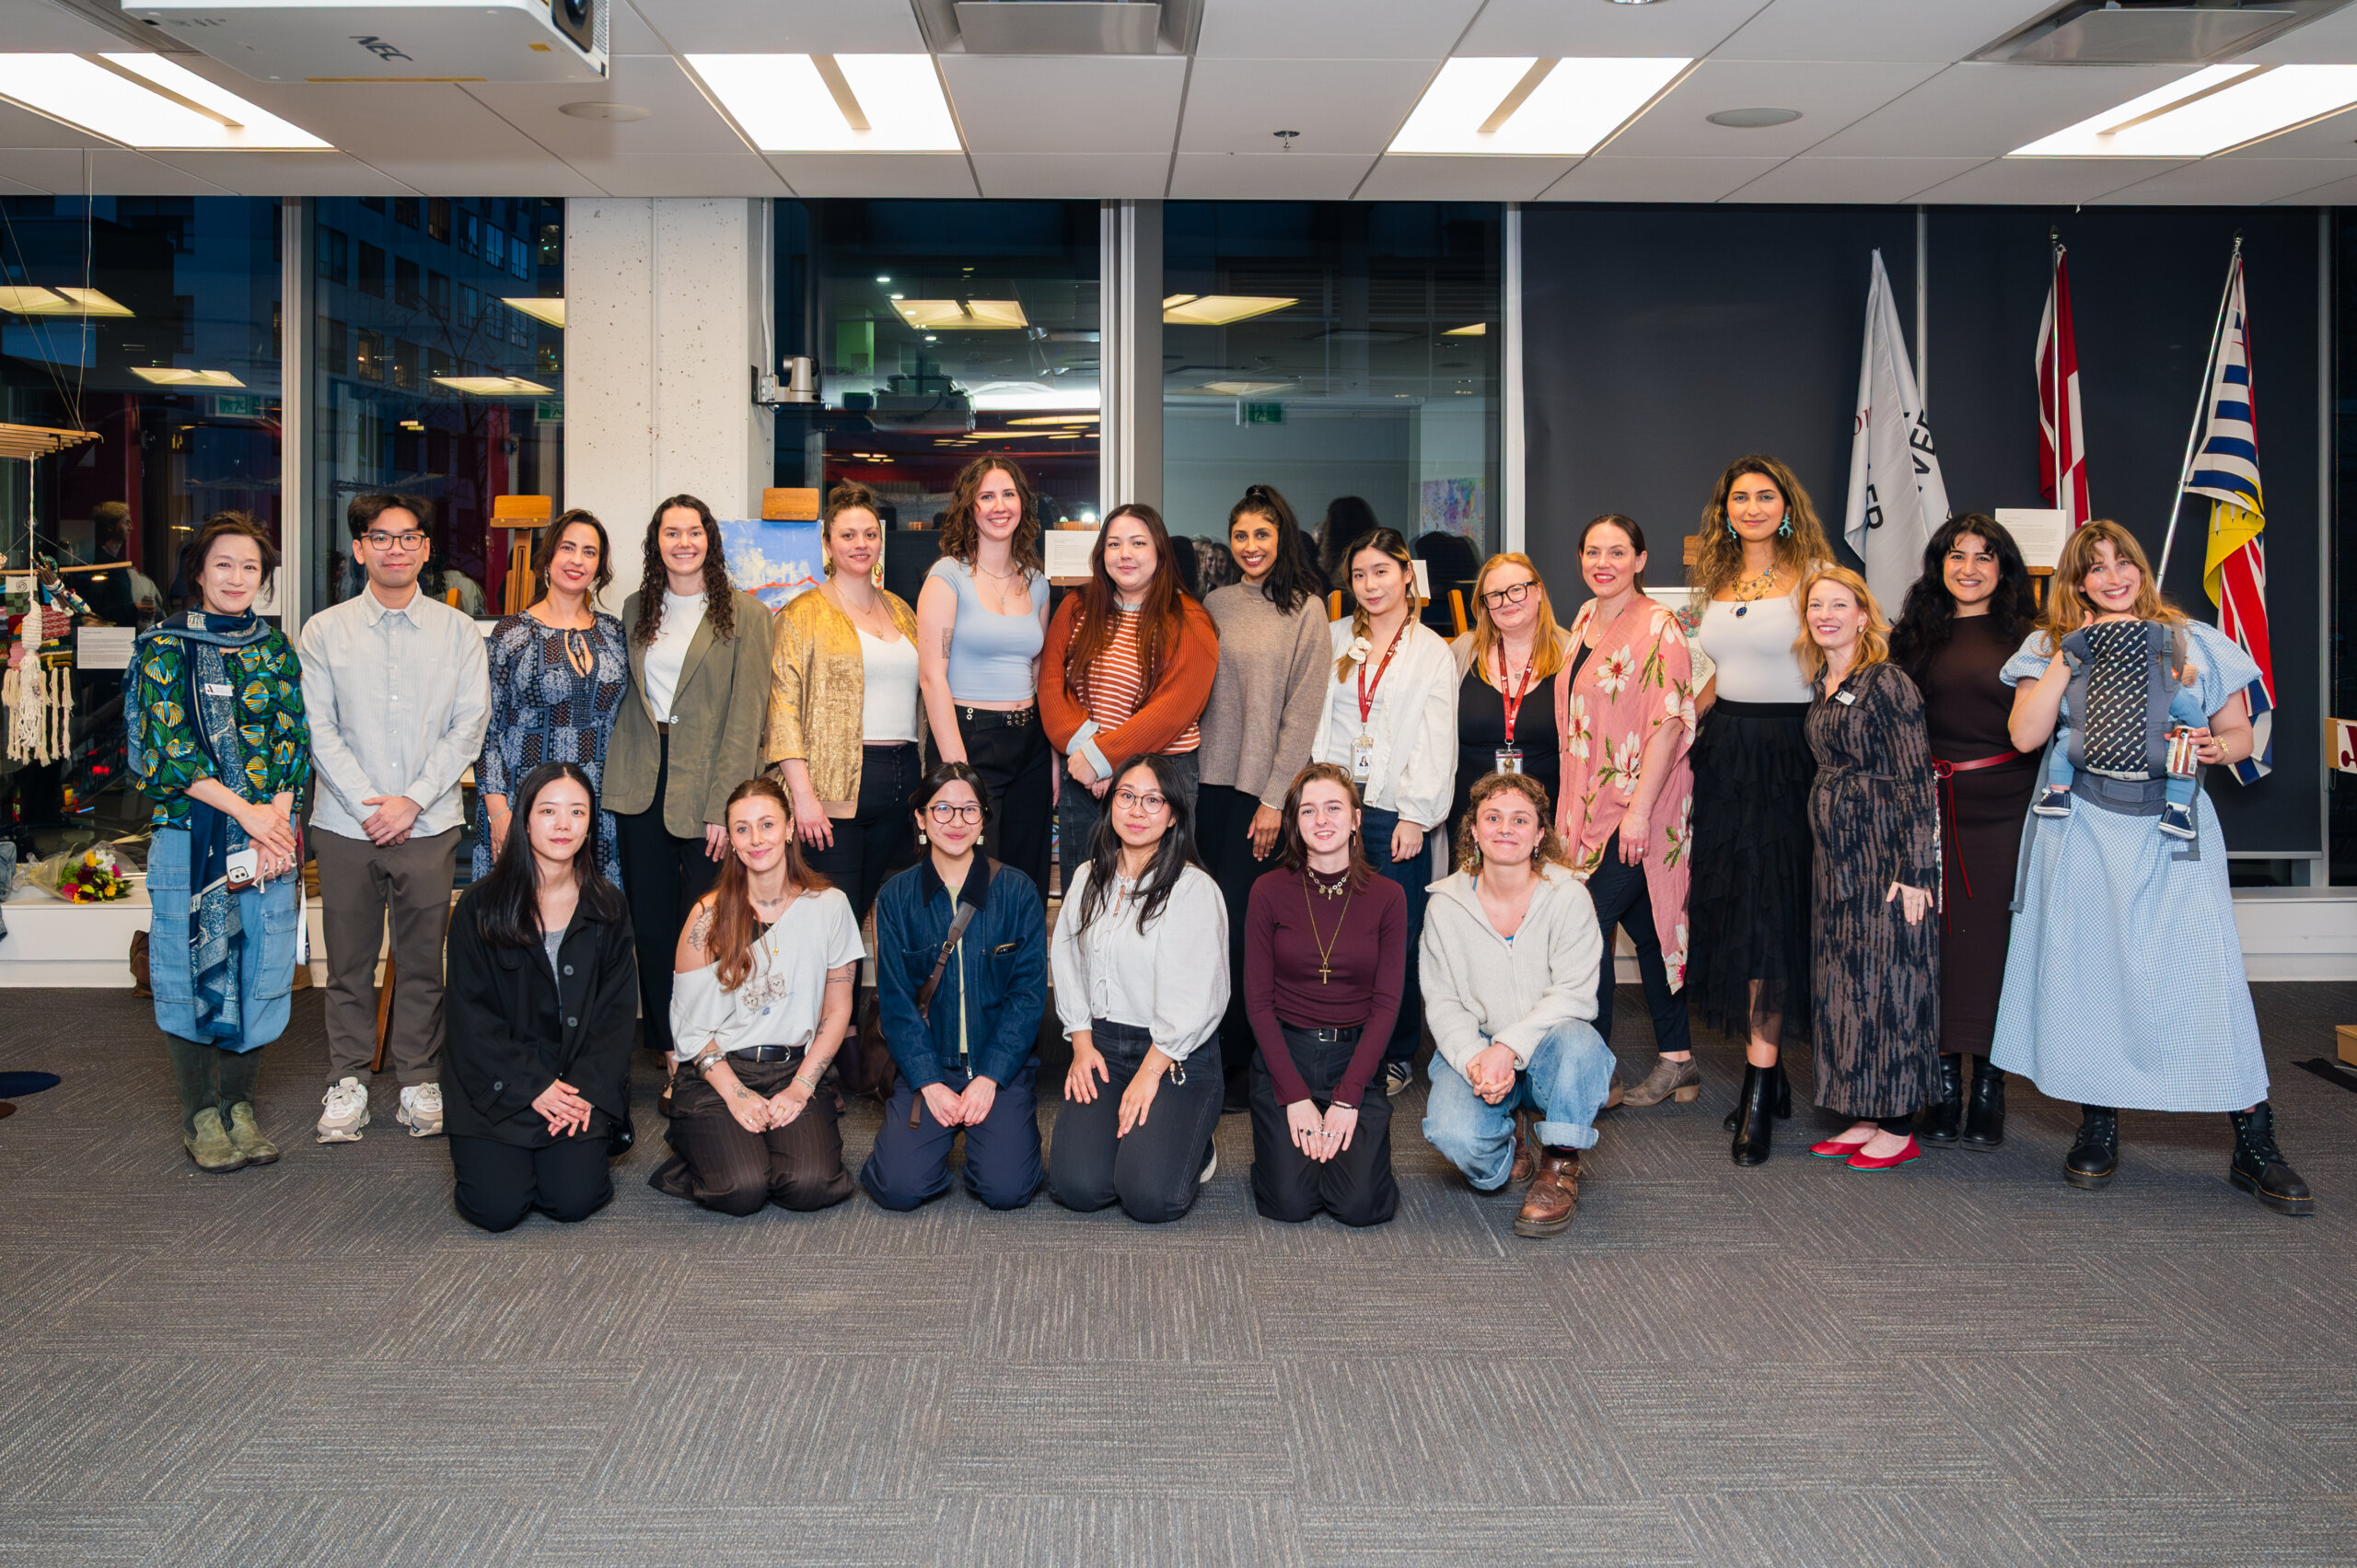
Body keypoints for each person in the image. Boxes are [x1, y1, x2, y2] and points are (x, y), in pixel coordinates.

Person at [1996, 520, 2312, 1214]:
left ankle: (2253, 1140)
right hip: (2078, 826)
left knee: (2208, 977)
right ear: (2076, 581)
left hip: (2173, 830)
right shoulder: (2048, 646)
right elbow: (2024, 734)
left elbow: (2239, 733)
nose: (2112, 576)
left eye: (2122, 563)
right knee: (2094, 974)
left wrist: (2216, 748)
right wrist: (2068, 656)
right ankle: (2098, 1124)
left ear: (2141, 568)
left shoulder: (2192, 640)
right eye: (2094, 567)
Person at [300, 493, 490, 1144]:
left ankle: (416, 1080)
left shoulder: (459, 632)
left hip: (429, 822)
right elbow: (318, 730)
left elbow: (470, 726)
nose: (396, 549)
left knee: (420, 961)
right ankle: (347, 1081)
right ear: (359, 548)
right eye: (381, 538)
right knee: (348, 964)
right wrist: (368, 803)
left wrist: (412, 799)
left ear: (426, 549)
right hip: (346, 825)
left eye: (409, 537)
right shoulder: (324, 631)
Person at [127, 512, 308, 1172]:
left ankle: (240, 1107)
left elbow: (293, 744)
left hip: (268, 842)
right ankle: (200, 1115)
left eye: (250, 567)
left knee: (261, 965)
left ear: (264, 578)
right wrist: (250, 815)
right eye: (223, 564)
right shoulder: (163, 648)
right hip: (190, 835)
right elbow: (167, 753)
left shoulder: (275, 648)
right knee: (182, 966)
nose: (237, 577)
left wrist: (277, 822)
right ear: (198, 572)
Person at [1684, 455, 1833, 1166]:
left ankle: (1760, 1078)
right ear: (1725, 510)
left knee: (1774, 913)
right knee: (1737, 910)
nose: (1750, 507)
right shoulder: (1718, 579)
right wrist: (1683, 717)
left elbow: (1843, 657)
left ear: (1787, 504)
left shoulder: (1812, 578)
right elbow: (1726, 666)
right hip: (1725, 753)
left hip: (1789, 754)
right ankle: (1765, 1075)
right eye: (1738, 496)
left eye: (1764, 495)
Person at [606, 494, 773, 1078]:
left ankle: (713, 1039)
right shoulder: (633, 609)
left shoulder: (747, 615)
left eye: (694, 532)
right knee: (649, 926)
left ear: (710, 540)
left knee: (706, 924)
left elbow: (747, 717)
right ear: (657, 543)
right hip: (640, 785)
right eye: (671, 533)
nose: (683, 543)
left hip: (709, 785)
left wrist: (723, 807)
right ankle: (669, 1046)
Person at [1887, 515, 2039, 1150]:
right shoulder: (1912, 636)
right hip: (1928, 805)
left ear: (2004, 568)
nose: (1969, 567)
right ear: (1938, 564)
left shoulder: (2031, 639)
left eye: (1985, 556)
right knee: (1938, 948)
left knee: (1995, 949)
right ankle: (1943, 1085)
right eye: (1956, 555)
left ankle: (1990, 1089)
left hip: (2006, 808)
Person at [650, 776, 863, 1215]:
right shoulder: (707, 916)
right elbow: (687, 1024)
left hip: (792, 1068)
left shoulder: (830, 905)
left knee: (810, 1186)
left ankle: (753, 1145)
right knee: (742, 1190)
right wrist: (734, 1093)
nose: (755, 838)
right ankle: (702, 1142)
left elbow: (838, 1009)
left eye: (767, 824)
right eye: (742, 829)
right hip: (719, 1069)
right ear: (730, 840)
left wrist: (803, 1087)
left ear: (788, 829)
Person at [442, 763, 637, 1231]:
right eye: (549, 811)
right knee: (497, 1210)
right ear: (525, 819)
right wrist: (534, 1087)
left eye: (577, 812)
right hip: (496, 1085)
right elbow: (471, 1021)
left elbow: (615, 1016)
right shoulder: (479, 908)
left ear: (592, 824)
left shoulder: (608, 907)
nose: (564, 824)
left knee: (572, 1200)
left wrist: (582, 1093)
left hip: (574, 1087)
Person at [1422, 772, 1615, 1237]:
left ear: (1539, 834)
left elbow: (1575, 995)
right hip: (1481, 1048)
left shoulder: (1569, 897)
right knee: (1455, 1136)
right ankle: (1511, 1136)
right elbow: (1443, 1001)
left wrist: (1507, 1048)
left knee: (1583, 1043)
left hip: (1551, 1049)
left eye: (1520, 819)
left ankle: (1560, 1165)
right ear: (1473, 830)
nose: (1505, 828)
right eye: (1493, 817)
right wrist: (1476, 1059)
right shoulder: (1444, 905)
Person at [1548, 519, 1700, 1109]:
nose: (1603, 561)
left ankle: (1597, 1072)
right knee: (1646, 926)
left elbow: (1668, 725)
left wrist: (1637, 815)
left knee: (1585, 925)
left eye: (1617, 552)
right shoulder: (1586, 616)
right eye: (1592, 551)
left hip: (1640, 807)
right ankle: (1679, 1059)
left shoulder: (1660, 627)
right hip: (1590, 802)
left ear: (1641, 559)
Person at [1794, 567, 1941, 1170]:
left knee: (1890, 982)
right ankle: (1865, 1108)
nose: (1826, 613)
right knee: (1846, 982)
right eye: (1816, 605)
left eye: (1839, 603)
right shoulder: (1826, 682)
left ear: (1863, 614)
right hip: (1836, 859)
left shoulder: (1888, 682)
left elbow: (1913, 778)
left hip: (1885, 852)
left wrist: (1914, 870)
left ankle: (1900, 1122)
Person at [1048, 753, 1229, 1222]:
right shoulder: (1088, 877)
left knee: (1149, 1198)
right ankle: (1141, 1143)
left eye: (1154, 800)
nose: (1137, 810)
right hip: (1103, 1046)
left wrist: (1150, 1074)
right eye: (1127, 796)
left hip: (1173, 1055)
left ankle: (1193, 1141)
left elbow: (1196, 997)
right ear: (1111, 805)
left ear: (1173, 816)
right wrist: (1081, 1045)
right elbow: (1067, 961)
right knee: (1077, 1187)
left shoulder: (1193, 890)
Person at [1307, 528, 1457, 1098]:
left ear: (1407, 576)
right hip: (1335, 807)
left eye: (1382, 572)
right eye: (1361, 575)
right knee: (1335, 930)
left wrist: (1416, 815)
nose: (1371, 585)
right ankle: (1342, 1039)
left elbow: (1435, 736)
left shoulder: (1431, 650)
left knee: (1397, 936)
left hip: (1395, 813)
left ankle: (1396, 1052)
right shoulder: (1334, 636)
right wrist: (1317, 798)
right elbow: (1321, 719)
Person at [860, 762, 1049, 1211]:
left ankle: (998, 1132)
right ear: (921, 819)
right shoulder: (895, 898)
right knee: (898, 1189)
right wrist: (927, 1081)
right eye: (942, 809)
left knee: (1007, 1190)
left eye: (969, 810)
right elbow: (898, 1005)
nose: (956, 822)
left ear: (983, 820)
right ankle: (923, 1144)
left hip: (995, 1067)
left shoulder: (1017, 890)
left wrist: (989, 1078)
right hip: (928, 1064)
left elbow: (1027, 998)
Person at [1198, 483, 1330, 1111]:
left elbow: (1302, 714)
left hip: (1261, 796)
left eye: (1263, 535)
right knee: (1208, 928)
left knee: (1251, 934)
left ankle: (1250, 1063)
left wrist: (1276, 799)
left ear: (1283, 538)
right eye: (1242, 534)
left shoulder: (1306, 609)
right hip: (1205, 788)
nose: (1251, 546)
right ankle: (1208, 1055)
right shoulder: (1216, 602)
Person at [1242, 763, 1407, 1227]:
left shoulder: (1388, 896)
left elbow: (1387, 1004)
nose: (1322, 820)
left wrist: (1349, 1096)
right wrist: (1294, 1095)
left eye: (1334, 807)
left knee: (1359, 1208)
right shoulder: (1267, 891)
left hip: (1354, 1059)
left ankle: (1342, 1151)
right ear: (1295, 823)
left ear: (1356, 818)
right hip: (1285, 1057)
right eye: (1308, 811)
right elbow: (1257, 1002)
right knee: (1290, 1206)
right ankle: (1288, 1151)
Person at [766, 481, 925, 926]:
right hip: (832, 793)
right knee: (831, 923)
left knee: (870, 923)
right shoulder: (802, 613)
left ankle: (858, 1000)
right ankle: (830, 1000)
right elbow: (781, 710)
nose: (861, 544)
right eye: (848, 535)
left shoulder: (901, 611)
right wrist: (804, 796)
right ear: (827, 544)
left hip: (903, 782)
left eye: (870, 534)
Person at [1039, 502, 1219, 889]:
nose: (1125, 554)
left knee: (1155, 898)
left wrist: (1107, 760)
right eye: (1114, 543)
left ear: (1159, 552)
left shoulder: (1189, 620)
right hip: (1084, 776)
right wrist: (1090, 754)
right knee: (1087, 896)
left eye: (1138, 543)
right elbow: (1052, 687)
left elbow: (1173, 710)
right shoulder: (1076, 607)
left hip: (1160, 781)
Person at [915, 458, 1053, 898]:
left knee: (1024, 877)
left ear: (1022, 504)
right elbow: (932, 677)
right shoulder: (948, 576)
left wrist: (1050, 758)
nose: (999, 505)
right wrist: (958, 770)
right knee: (971, 882)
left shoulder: (1037, 583)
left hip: (1029, 744)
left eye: (1008, 494)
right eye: (987, 496)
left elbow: (1038, 672)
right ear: (970, 508)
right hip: (969, 737)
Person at [473, 508, 628, 889]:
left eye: (589, 552)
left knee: (592, 925)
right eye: (568, 548)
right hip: (524, 802)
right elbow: (485, 730)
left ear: (600, 567)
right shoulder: (512, 634)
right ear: (548, 558)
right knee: (519, 921)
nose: (578, 560)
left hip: (598, 806)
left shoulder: (616, 635)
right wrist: (498, 812)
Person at [1447, 552, 1565, 847]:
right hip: (1469, 822)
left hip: (1544, 822)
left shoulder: (1571, 652)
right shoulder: (1463, 652)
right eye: (1495, 595)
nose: (1507, 601)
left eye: (1516, 590)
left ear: (1538, 591)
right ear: (1485, 606)